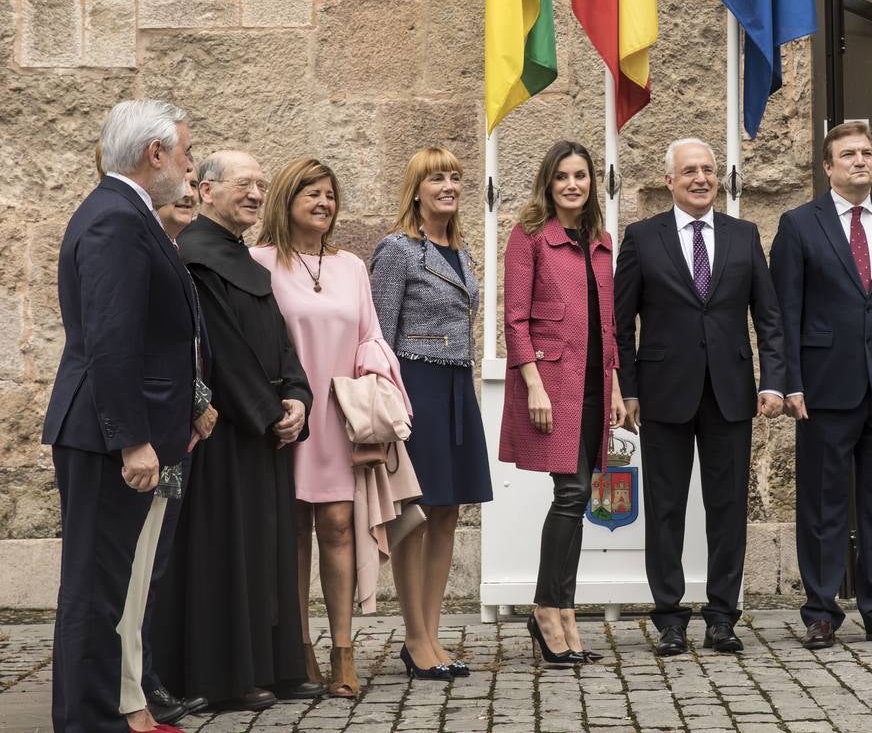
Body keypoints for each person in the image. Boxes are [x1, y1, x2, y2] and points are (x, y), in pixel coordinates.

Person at [46, 100, 197, 733]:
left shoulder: (123, 212)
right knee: (96, 589)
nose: (190, 166)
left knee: (111, 586)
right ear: (155, 153)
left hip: (117, 430)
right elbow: (110, 340)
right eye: (186, 152)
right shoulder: (115, 219)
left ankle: (106, 713)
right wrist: (132, 440)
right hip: (107, 436)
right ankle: (88, 722)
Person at [156, 151, 321, 710]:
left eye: (261, 185)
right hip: (225, 435)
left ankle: (277, 666)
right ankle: (230, 673)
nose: (256, 193)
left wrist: (298, 396)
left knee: (269, 552)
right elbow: (220, 353)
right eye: (244, 184)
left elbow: (280, 343)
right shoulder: (195, 258)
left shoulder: (244, 260)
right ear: (204, 191)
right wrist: (270, 412)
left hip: (265, 429)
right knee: (230, 553)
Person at [254, 158, 422, 699]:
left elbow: (370, 335)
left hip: (338, 415)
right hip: (286, 417)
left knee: (338, 527)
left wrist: (375, 390)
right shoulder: (258, 262)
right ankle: (297, 650)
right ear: (287, 198)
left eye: (330, 195)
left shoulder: (351, 265)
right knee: (289, 534)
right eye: (312, 194)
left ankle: (343, 650)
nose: (324, 203)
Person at [770, 121, 872, 650]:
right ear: (827, 166)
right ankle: (821, 612)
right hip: (822, 389)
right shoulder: (799, 224)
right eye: (848, 154)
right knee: (823, 506)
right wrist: (788, 381)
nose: (861, 161)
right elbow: (784, 313)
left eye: (867, 152)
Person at [614, 138, 786, 656]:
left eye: (708, 170)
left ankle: (721, 617)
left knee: (728, 508)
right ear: (669, 180)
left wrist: (773, 380)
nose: (701, 179)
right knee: (665, 508)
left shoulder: (743, 235)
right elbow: (621, 325)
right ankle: (668, 617)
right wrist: (628, 390)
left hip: (731, 393)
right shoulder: (642, 238)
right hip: (663, 394)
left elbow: (769, 317)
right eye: (689, 171)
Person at [500, 140, 626, 666]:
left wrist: (617, 387)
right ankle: (548, 610)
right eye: (562, 177)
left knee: (579, 497)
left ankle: (563, 610)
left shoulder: (600, 239)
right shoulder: (529, 236)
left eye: (581, 176)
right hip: (554, 384)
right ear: (547, 184)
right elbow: (516, 319)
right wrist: (533, 384)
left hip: (596, 386)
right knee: (571, 494)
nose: (573, 184)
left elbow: (609, 325)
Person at [370, 147, 493, 681]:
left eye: (455, 177)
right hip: (415, 385)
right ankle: (414, 637)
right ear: (416, 189)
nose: (448, 185)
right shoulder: (397, 250)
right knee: (414, 516)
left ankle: (435, 633)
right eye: (436, 178)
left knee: (447, 512)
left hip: (456, 387)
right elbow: (378, 333)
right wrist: (391, 404)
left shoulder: (461, 250)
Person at [141, 166, 213, 729]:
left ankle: (149, 677)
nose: (189, 193)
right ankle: (141, 684)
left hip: (178, 435)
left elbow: (189, 346)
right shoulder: (154, 255)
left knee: (159, 561)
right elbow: (147, 347)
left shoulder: (176, 257)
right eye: (182, 188)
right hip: (151, 435)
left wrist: (200, 398)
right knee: (143, 568)